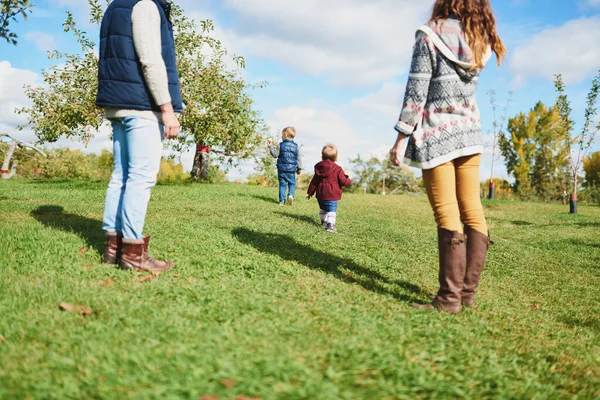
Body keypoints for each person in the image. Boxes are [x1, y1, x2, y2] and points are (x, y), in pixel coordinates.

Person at [389, 0, 507, 313]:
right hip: (470, 132)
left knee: (447, 211)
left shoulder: (430, 35)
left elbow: (417, 91)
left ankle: (449, 299)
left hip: (438, 132)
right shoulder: (478, 37)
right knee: (473, 208)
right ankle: (466, 294)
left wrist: (400, 138)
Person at [96, 0, 182, 272]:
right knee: (140, 177)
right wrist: (167, 109)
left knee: (121, 175)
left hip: (118, 103)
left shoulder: (114, 6)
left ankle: (113, 248)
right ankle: (133, 253)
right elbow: (150, 59)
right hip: (142, 104)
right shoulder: (145, 5)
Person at [306, 144, 352, 233]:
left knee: (323, 209)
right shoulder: (338, 169)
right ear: (336, 158)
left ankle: (324, 222)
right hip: (332, 195)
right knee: (331, 211)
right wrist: (348, 178)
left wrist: (310, 192)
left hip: (320, 194)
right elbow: (343, 182)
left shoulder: (319, 168)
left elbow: (314, 182)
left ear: (322, 156)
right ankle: (331, 226)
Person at [267, 127, 302, 206]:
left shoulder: (280, 145)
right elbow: (299, 159)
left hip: (281, 169)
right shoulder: (297, 147)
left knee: (282, 185)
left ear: (285, 135)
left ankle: (282, 202)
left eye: (282, 135)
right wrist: (299, 170)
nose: (281, 137)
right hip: (291, 170)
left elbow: (275, 155)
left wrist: (270, 146)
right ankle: (290, 195)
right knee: (292, 184)